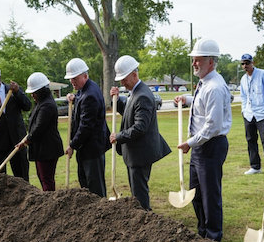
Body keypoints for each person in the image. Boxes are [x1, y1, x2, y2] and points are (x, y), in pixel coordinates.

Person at [174, 39, 232, 242]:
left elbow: (213, 126)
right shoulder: (206, 83)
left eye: (197, 60)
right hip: (201, 146)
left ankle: (213, 237)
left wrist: (190, 142)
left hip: (210, 146)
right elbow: (202, 104)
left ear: (210, 62)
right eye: (193, 60)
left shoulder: (214, 87)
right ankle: (202, 232)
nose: (194, 64)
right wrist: (187, 99)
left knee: (209, 196)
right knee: (197, 194)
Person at [110, 55, 171, 211]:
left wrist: (118, 137)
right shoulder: (135, 92)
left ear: (134, 74)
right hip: (135, 153)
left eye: (124, 78)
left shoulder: (142, 95)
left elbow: (140, 127)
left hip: (141, 153)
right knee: (136, 191)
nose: (121, 82)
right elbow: (129, 115)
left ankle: (145, 219)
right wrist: (116, 101)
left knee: (139, 193)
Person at [64, 58, 110, 197]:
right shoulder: (86, 88)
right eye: (71, 79)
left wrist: (72, 145)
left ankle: (101, 213)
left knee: (94, 187)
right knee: (86, 184)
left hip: (92, 148)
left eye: (75, 78)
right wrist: (75, 98)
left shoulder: (90, 95)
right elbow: (81, 98)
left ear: (85, 75)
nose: (72, 82)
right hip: (88, 148)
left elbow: (86, 126)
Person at [16, 72, 64, 191]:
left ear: (42, 91)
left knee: (46, 179)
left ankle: (50, 203)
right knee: (43, 178)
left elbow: (39, 128)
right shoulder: (40, 103)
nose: (32, 95)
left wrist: (26, 142)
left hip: (48, 149)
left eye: (34, 92)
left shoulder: (47, 105)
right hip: (41, 149)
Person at [240, 53, 264, 175]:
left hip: (262, 113)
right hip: (249, 114)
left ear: (252, 63)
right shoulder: (243, 79)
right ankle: (255, 166)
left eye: (247, 63)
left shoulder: (262, 74)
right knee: (251, 140)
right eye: (243, 64)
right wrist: (244, 110)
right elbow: (243, 97)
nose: (245, 66)